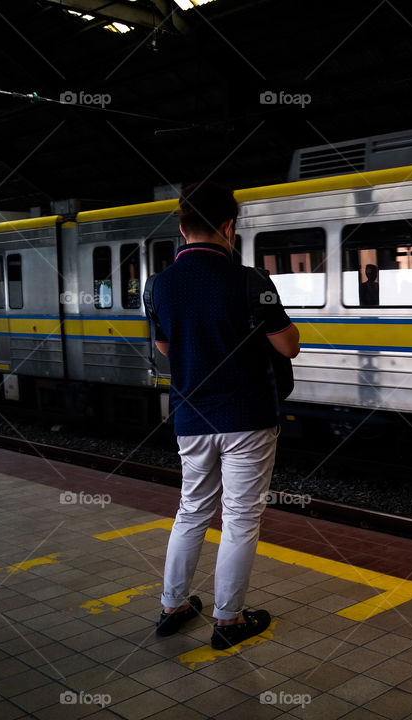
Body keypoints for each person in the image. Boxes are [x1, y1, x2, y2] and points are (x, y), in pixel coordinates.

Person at [147, 182, 300, 649]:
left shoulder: (159, 285)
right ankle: (228, 621)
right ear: (229, 226)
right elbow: (289, 345)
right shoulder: (251, 281)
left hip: (191, 416)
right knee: (238, 518)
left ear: (181, 226)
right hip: (247, 416)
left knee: (191, 510)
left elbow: (165, 347)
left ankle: (173, 607)